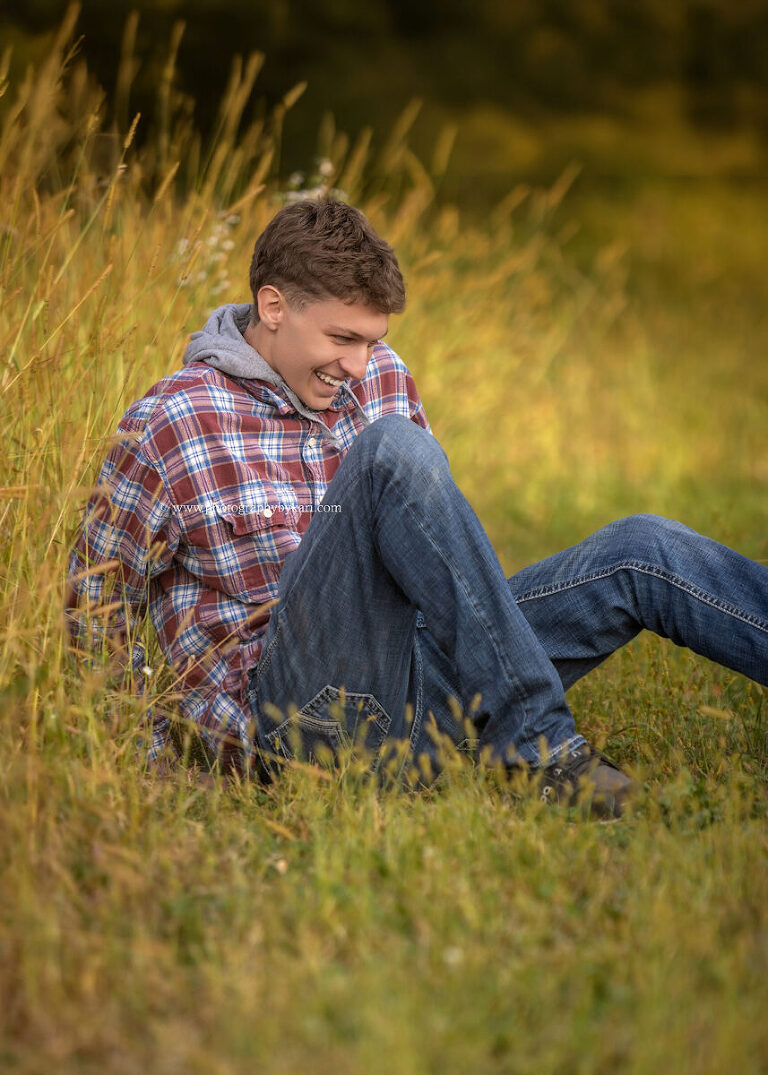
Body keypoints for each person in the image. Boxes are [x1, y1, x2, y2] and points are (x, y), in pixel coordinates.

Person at [66, 199, 768, 818]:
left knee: (642, 549)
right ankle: (541, 748)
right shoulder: (172, 420)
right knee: (390, 453)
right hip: (298, 726)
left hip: (419, 690)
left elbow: (441, 565)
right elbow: (96, 598)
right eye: (343, 339)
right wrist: (146, 766)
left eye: (373, 340)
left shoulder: (383, 377)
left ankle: (514, 727)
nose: (363, 367)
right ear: (273, 306)